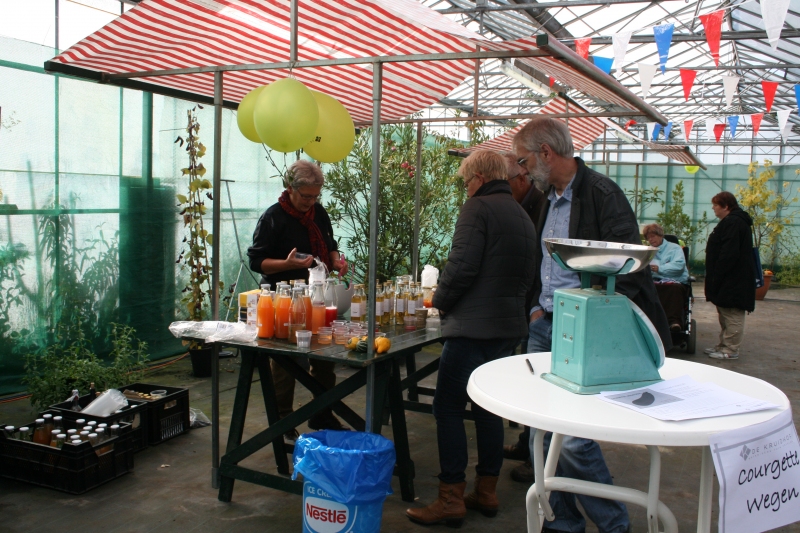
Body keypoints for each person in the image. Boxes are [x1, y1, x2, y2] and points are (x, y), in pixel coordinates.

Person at [513, 117, 671, 533]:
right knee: (545, 430)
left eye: (524, 161)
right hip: (544, 323)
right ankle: (562, 522)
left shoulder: (602, 194)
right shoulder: (546, 198)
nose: (523, 170)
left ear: (546, 153)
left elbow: (629, 265)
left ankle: (614, 524)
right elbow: (540, 261)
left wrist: (596, 320)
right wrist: (535, 309)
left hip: (581, 329)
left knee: (574, 437)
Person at [405, 150, 537, 527]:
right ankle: (486, 491)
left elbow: (461, 267)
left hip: (473, 329)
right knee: (487, 408)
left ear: (478, 178)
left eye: (466, 182)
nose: (466, 189)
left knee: (447, 406)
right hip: (507, 329)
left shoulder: (477, 208)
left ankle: (450, 497)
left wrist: (440, 303)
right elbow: (528, 277)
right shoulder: (522, 215)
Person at [247, 160, 349, 441]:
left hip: (316, 295)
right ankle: (282, 420)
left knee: (324, 355)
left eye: (315, 196)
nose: (310, 202)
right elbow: (256, 261)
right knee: (285, 361)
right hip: (283, 297)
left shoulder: (319, 213)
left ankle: (322, 412)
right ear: (290, 188)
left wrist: (335, 261)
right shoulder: (273, 217)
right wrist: (287, 264)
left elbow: (330, 245)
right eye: (306, 196)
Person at [502, 152, 546, 484]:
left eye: (504, 183)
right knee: (527, 378)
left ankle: (537, 458)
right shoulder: (521, 205)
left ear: (521, 179)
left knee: (537, 385)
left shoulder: (539, 206)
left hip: (536, 307)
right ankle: (526, 443)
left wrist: (533, 306)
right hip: (528, 304)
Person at [704, 191, 755, 360]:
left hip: (733, 279)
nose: (713, 208)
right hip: (728, 278)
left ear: (726, 206)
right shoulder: (732, 221)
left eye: (716, 205)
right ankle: (723, 345)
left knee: (732, 314)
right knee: (725, 311)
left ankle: (730, 349)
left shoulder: (734, 223)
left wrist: (718, 273)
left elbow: (729, 253)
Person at [643, 223, 690, 332]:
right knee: (644, 289)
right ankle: (649, 322)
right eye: (648, 238)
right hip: (655, 282)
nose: (651, 239)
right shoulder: (648, 251)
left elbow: (679, 266)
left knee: (673, 289)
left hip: (676, 282)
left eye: (653, 236)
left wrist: (659, 269)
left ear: (660, 235)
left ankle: (674, 322)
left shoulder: (675, 248)